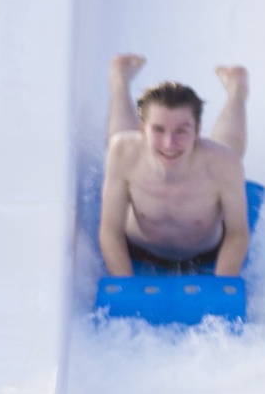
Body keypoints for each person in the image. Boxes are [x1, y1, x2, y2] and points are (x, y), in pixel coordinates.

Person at [99, 54, 250, 277]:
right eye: (158, 130)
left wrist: (221, 286)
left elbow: (237, 234)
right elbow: (110, 231)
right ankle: (120, 81)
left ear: (198, 131)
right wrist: (124, 282)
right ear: (143, 130)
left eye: (181, 131)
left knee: (227, 152)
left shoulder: (224, 164)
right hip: (138, 249)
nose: (170, 144)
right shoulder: (122, 152)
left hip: (206, 252)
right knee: (120, 140)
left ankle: (236, 90)